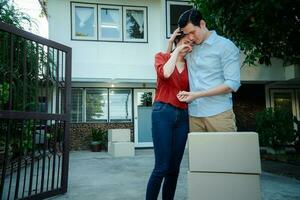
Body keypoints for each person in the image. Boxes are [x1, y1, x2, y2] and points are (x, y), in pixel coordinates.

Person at [176, 8, 241, 132]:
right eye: (186, 34)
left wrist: (197, 95)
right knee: (199, 152)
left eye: (192, 32)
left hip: (219, 114)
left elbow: (232, 84)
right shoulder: (189, 48)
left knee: (225, 152)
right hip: (194, 116)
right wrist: (173, 42)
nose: (190, 37)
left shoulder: (225, 46)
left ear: (202, 24)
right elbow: (167, 64)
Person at [146, 30, 192, 200]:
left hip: (183, 116)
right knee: (161, 167)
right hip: (163, 113)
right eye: (187, 41)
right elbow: (165, 73)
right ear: (178, 41)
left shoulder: (190, 66)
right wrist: (174, 47)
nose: (189, 46)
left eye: (192, 44)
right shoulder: (162, 57)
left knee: (174, 169)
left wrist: (179, 48)